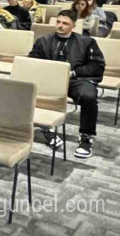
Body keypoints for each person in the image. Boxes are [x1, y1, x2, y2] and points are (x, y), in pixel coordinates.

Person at [29, 10, 105, 158]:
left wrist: (74, 72)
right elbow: (33, 61)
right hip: (50, 79)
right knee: (30, 90)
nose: (60, 26)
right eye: (58, 22)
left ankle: (86, 137)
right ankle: (47, 128)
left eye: (65, 23)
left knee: (89, 96)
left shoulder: (87, 42)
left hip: (76, 80)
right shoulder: (43, 40)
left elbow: (97, 66)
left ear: (73, 26)